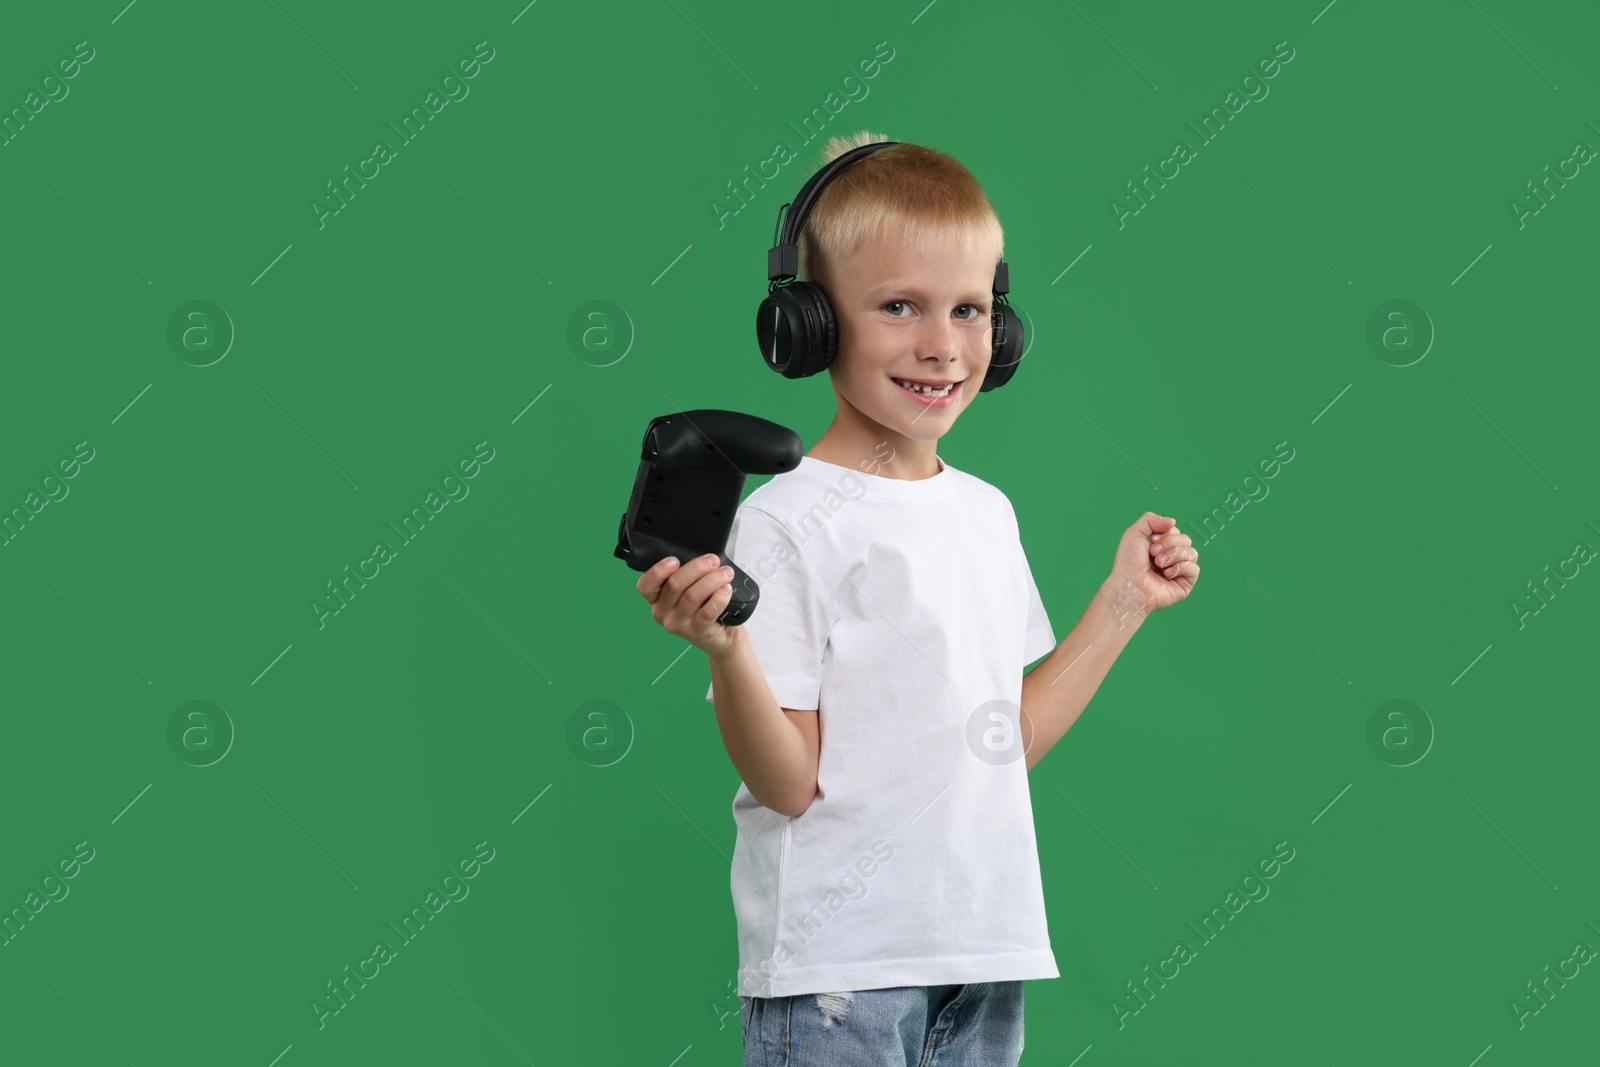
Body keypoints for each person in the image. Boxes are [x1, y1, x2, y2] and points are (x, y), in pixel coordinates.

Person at [635, 131, 1201, 1065]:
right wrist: (728, 649)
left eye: (971, 309)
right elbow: (787, 782)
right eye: (899, 306)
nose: (943, 346)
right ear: (807, 326)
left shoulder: (985, 514)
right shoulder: (785, 521)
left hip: (983, 955)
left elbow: (1001, 742)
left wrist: (1123, 603)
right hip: (838, 974)